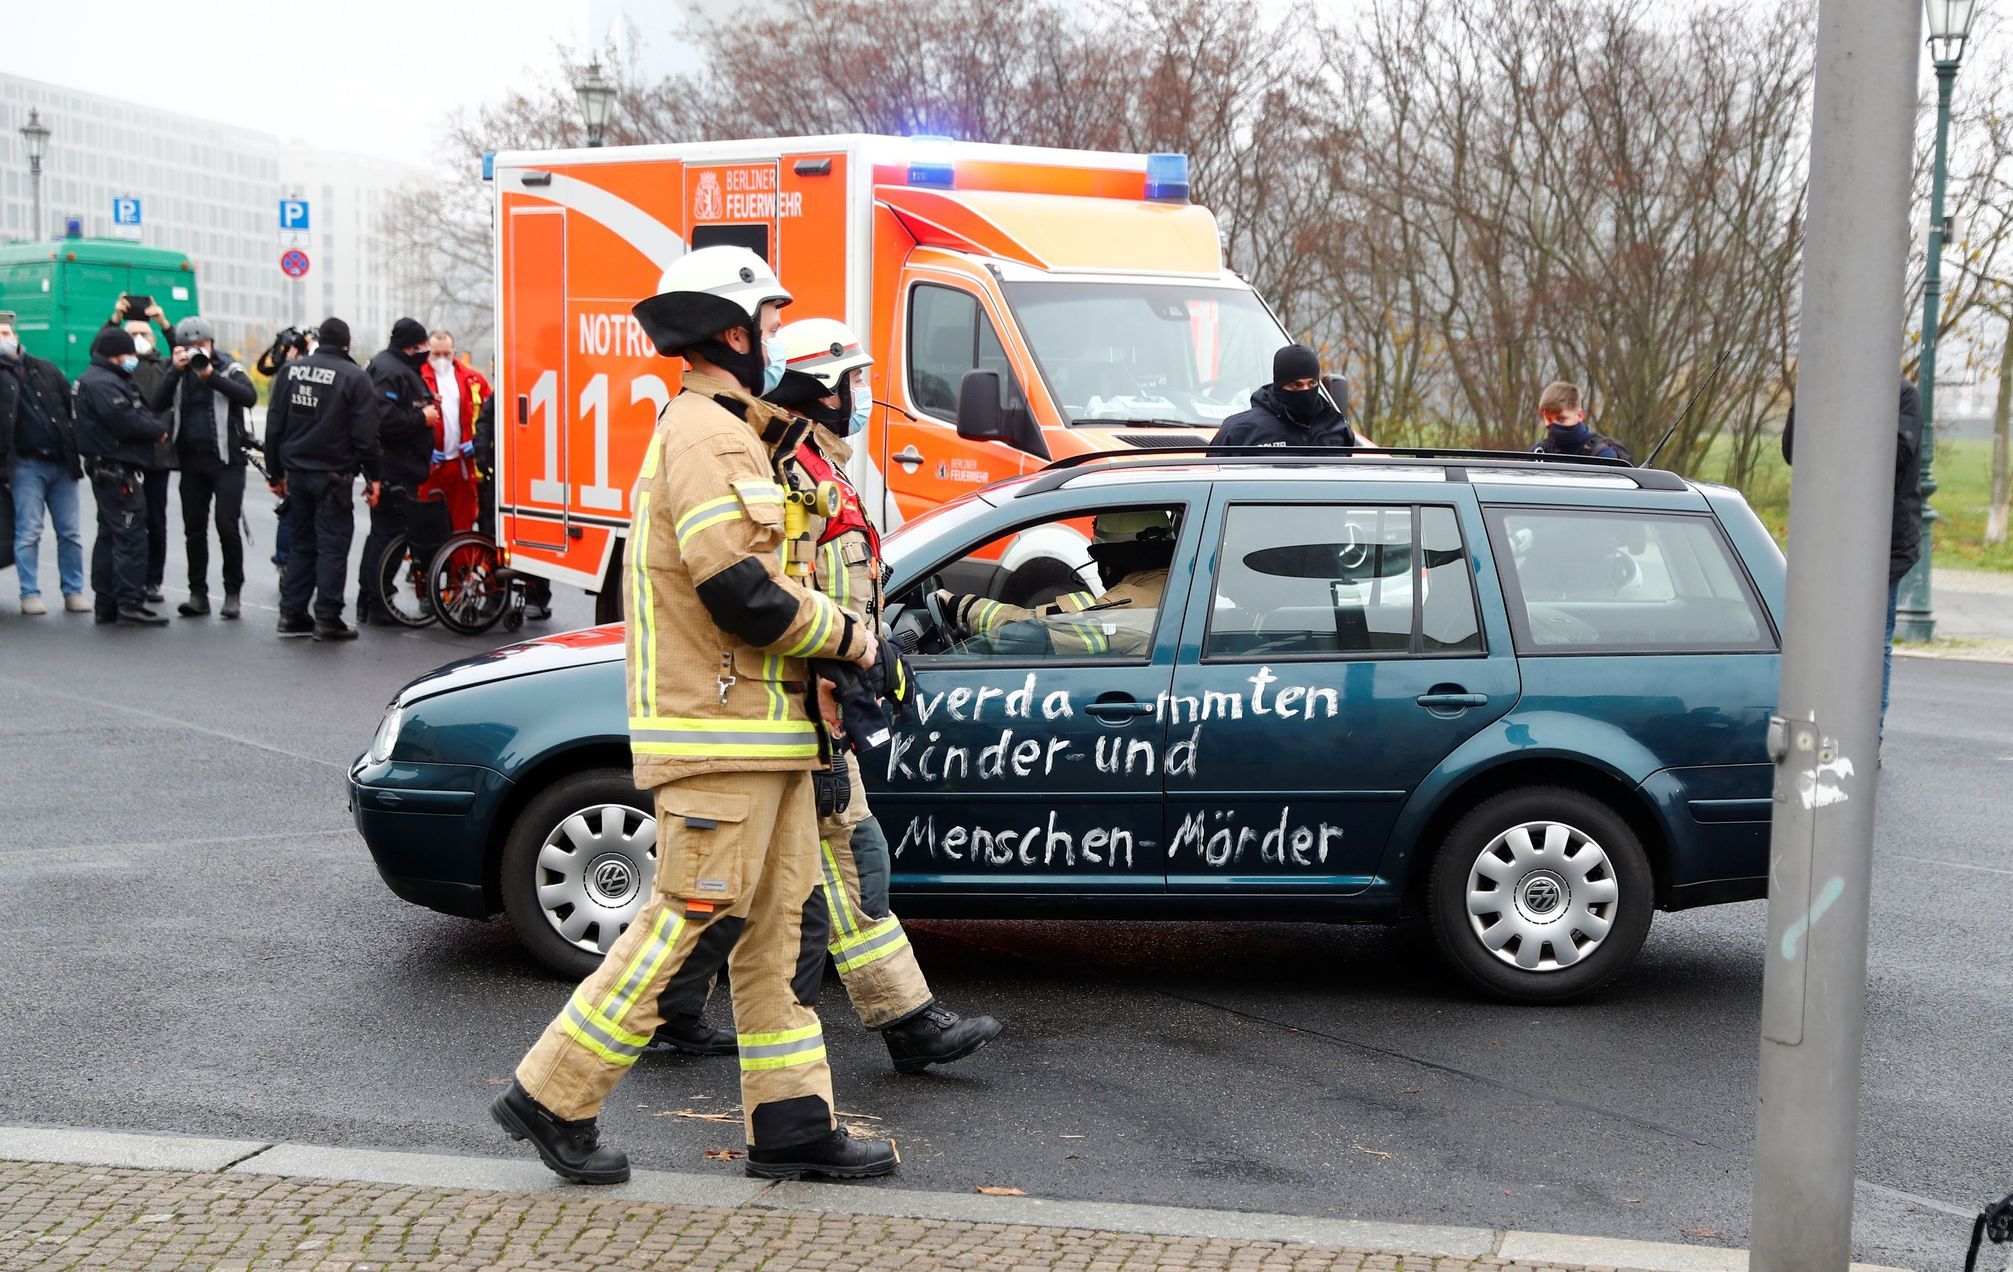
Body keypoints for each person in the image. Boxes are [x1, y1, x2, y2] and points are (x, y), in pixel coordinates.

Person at [492, 246, 895, 1185]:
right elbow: (742, 593)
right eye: (768, 324)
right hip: (719, 741)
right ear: (732, 330)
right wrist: (855, 642)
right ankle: (554, 1094)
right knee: (683, 919)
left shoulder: (735, 431)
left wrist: (829, 680)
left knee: (772, 927)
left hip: (768, 738)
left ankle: (792, 1126)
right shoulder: (706, 436)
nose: (776, 343)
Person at [649, 316, 1003, 1073]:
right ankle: (887, 1025)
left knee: (788, 881)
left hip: (824, 702)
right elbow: (779, 592)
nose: (865, 396)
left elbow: (848, 585)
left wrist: (879, 655)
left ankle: (679, 1014)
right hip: (800, 710)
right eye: (856, 381)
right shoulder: (782, 466)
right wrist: (846, 668)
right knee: (821, 878)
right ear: (823, 387)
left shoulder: (817, 463)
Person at [1781, 380, 1921, 743]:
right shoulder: (1826, 384)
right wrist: (1809, 393)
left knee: (1876, 642)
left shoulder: (1902, 395)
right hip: (1828, 541)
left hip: (1882, 544)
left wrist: (1842, 430)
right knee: (1820, 638)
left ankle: (1868, 735)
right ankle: (1823, 725)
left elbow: (1896, 454)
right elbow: (1794, 449)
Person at [265, 318, 382, 641]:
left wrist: (275, 473)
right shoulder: (354, 377)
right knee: (332, 546)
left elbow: (274, 425)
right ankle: (328, 618)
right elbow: (366, 437)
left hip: (297, 475)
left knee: (302, 542)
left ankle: (292, 614)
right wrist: (375, 477)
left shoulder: (291, 372)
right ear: (347, 344)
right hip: (333, 476)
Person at [936, 510, 1178, 657]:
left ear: (1110, 561)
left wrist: (961, 606)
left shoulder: (1125, 606)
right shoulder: (1176, 586)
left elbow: (1028, 631)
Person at [149, 316, 258, 619]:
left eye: (201, 345)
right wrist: (175, 370)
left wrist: (211, 375)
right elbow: (156, 404)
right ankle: (198, 594)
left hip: (226, 462)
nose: (196, 350)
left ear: (211, 344)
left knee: (227, 527)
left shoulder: (228, 367)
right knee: (194, 530)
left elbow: (249, 397)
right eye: (189, 347)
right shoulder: (179, 373)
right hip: (191, 462)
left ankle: (233, 593)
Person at [73, 327, 169, 627]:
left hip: (109, 470)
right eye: (129, 354)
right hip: (118, 473)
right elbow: (125, 420)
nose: (133, 359)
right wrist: (157, 431)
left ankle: (107, 602)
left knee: (110, 535)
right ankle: (129, 601)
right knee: (130, 536)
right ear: (116, 355)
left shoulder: (100, 379)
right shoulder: (104, 383)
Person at [2, 311, 88, 615]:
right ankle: (29, 593)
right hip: (26, 465)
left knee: (71, 532)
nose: (5, 339)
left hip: (62, 464)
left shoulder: (45, 369)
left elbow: (69, 411)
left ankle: (73, 591)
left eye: (7, 333)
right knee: (29, 531)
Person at [357, 317, 438, 625]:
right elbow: (384, 418)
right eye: (424, 346)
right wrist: (422, 419)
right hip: (396, 466)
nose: (427, 351)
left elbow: (403, 404)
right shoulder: (388, 370)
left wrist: (426, 404)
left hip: (401, 465)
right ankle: (378, 601)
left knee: (383, 534)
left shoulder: (396, 367)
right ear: (411, 347)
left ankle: (371, 599)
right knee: (392, 534)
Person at [110, 295, 175, 603]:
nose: (139, 340)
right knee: (124, 520)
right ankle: (126, 580)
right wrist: (114, 318)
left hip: (158, 459)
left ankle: (153, 580)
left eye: (144, 334)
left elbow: (183, 354)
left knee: (156, 521)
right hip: (125, 456)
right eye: (132, 334)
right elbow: (99, 348)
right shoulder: (117, 369)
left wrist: (163, 323)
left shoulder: (164, 365)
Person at [469, 390, 553, 621]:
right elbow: (484, 425)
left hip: (530, 470)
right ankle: (498, 596)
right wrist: (482, 455)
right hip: (505, 472)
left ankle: (535, 595)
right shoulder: (501, 393)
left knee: (533, 534)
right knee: (494, 536)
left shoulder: (528, 387)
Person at [1213, 344, 1357, 448]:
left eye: (1312, 384)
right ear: (1279, 386)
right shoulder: (1240, 432)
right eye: (1296, 385)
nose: (1305, 391)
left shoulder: (1336, 428)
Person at [255, 327, 315, 572]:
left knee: (291, 511)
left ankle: (286, 561)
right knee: (291, 512)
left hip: (290, 451)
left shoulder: (288, 372)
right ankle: (286, 561)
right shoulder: (291, 373)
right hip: (295, 453)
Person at [418, 330, 487, 533]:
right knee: (428, 525)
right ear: (427, 352)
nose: (441, 359)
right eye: (436, 354)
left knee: (463, 522)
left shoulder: (472, 379)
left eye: (446, 354)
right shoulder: (418, 378)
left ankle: (461, 565)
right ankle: (431, 564)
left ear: (454, 352)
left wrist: (477, 443)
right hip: (431, 466)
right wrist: (423, 451)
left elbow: (488, 416)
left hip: (462, 464)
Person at [1531, 381, 1628, 460]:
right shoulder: (1539, 453)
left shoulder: (1602, 455)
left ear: (1580, 415)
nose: (1554, 425)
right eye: (1549, 419)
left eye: (1561, 419)